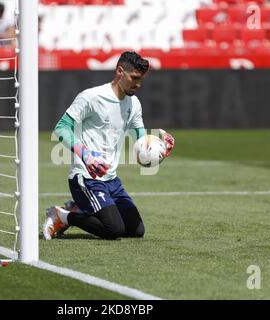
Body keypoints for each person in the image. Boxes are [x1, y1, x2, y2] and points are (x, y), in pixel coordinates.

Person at [42, 51, 175, 240]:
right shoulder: (91, 97)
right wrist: (86, 155)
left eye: (141, 79)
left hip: (111, 180)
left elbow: (142, 141)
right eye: (135, 78)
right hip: (85, 177)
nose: (138, 84)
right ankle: (63, 216)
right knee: (114, 229)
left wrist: (159, 150)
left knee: (136, 231)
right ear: (120, 71)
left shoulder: (134, 103)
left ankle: (78, 206)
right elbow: (62, 128)